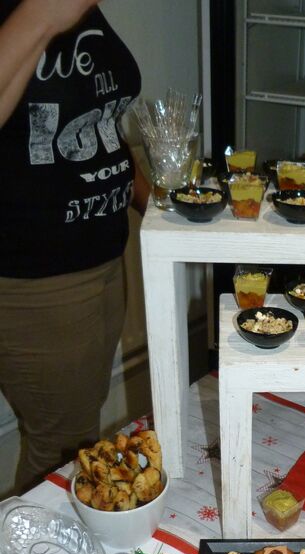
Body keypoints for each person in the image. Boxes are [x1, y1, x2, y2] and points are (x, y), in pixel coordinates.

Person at [0, 0, 148, 493]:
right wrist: (40, 17)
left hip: (101, 258)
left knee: (74, 435)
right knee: (59, 452)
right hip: (38, 279)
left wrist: (160, 199)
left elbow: (95, 123)